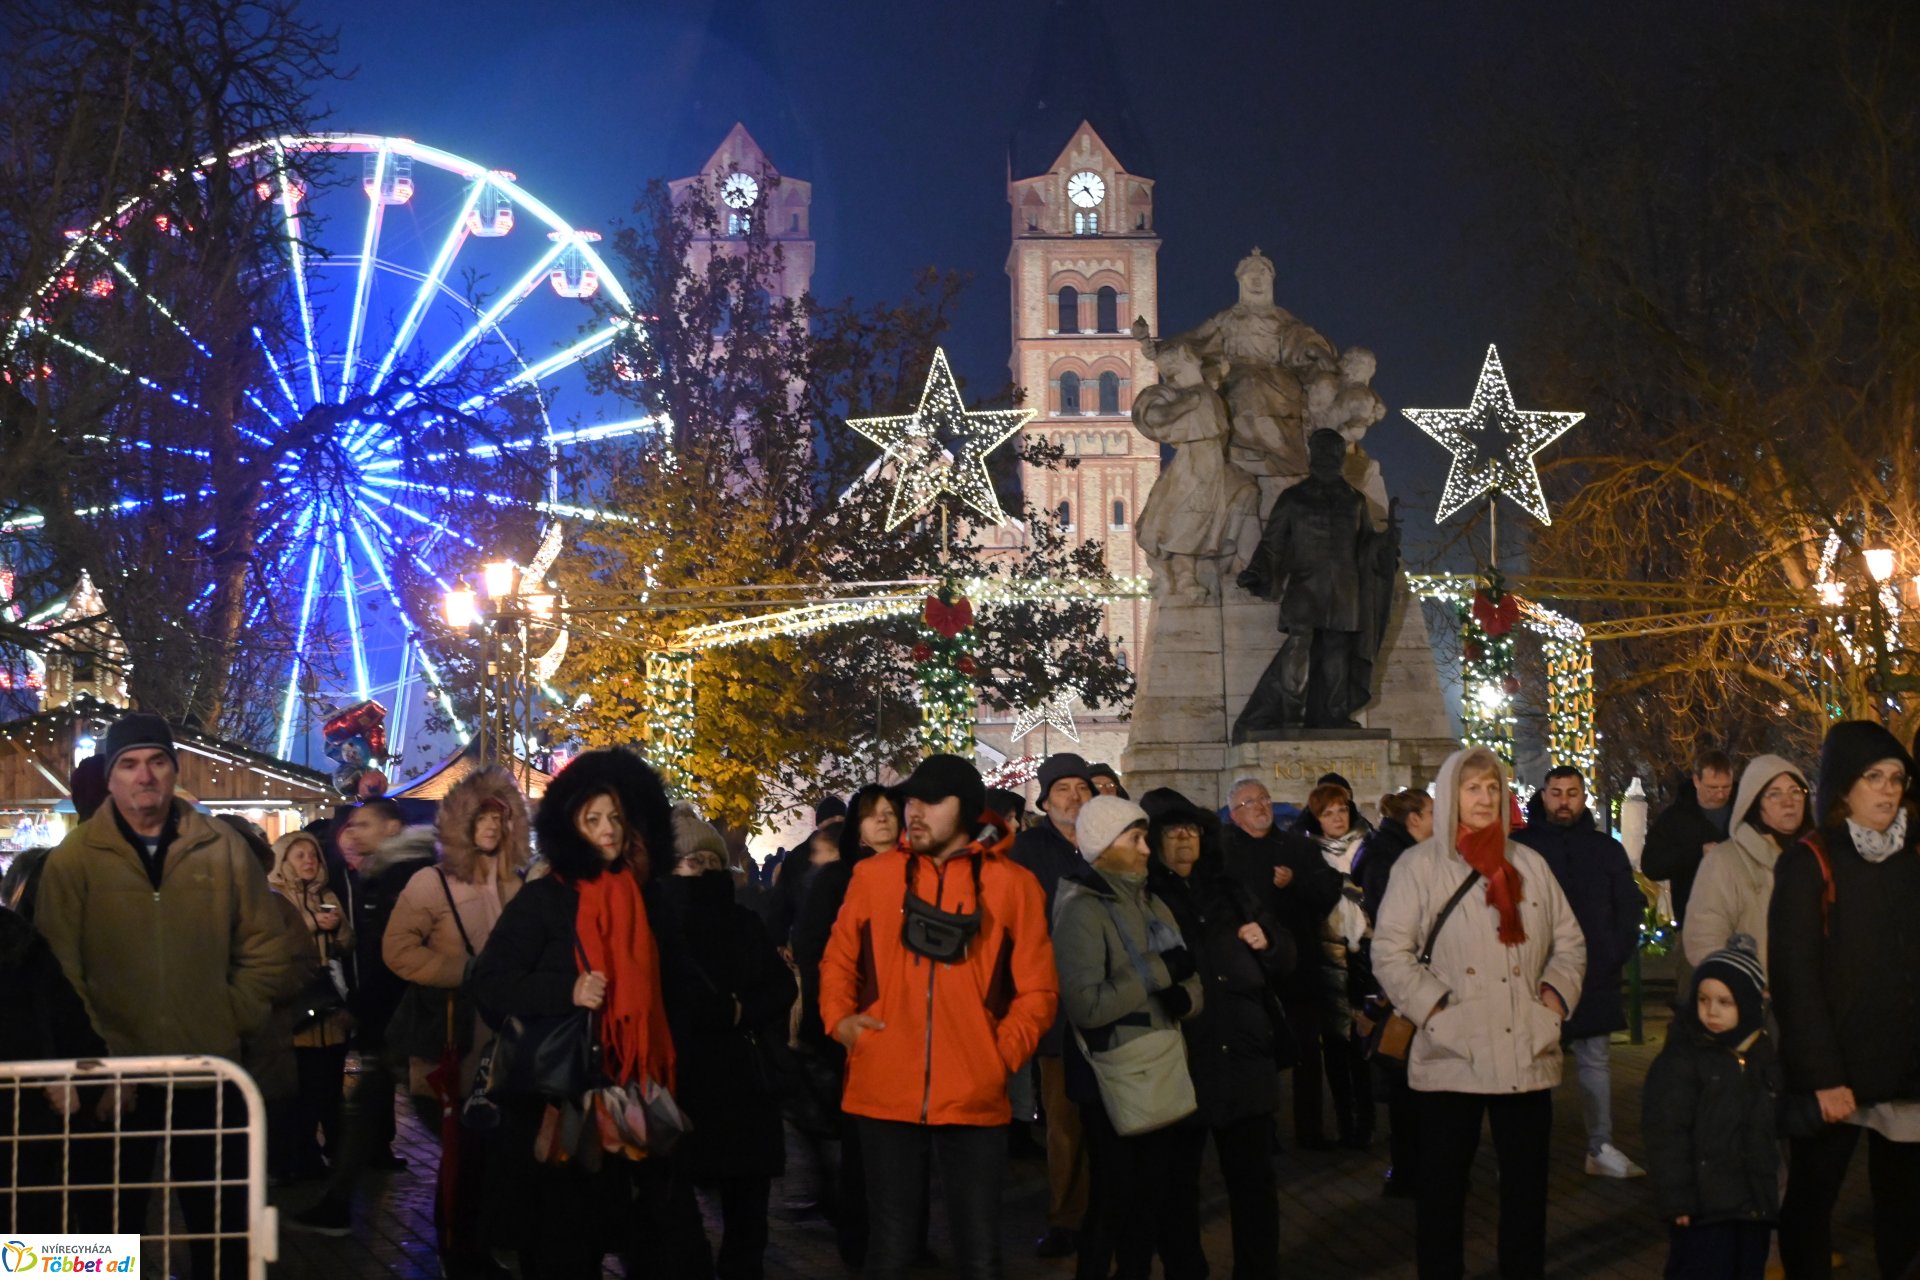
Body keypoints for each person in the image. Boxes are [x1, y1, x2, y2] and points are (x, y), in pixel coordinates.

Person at [35, 712, 290, 1279]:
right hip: (114, 1077)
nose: (143, 776)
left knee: (219, 1226)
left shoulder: (223, 848)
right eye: (128, 764)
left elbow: (265, 948)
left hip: (208, 1067)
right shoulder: (73, 860)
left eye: (155, 762)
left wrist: (228, 1017)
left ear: (175, 771)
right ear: (109, 777)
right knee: (105, 1230)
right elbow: (59, 969)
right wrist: (94, 1057)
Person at [468, 748, 705, 1279]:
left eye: (616, 818)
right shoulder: (544, 900)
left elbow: (677, 989)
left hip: (637, 1099)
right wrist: (566, 990)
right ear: (569, 825)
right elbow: (491, 983)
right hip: (564, 1104)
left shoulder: (649, 900)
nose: (608, 830)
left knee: (660, 1242)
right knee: (563, 1249)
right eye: (593, 818)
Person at [819, 753, 1058, 1280]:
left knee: (979, 1255)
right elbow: (837, 960)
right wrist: (841, 1022)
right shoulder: (873, 877)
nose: (913, 812)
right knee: (891, 1251)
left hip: (975, 1089)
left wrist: (998, 1055)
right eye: (910, 801)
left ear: (969, 810)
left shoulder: (1013, 885)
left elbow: (1038, 990)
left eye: (931, 801)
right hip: (883, 1085)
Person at [1372, 746, 1586, 1280]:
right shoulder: (1419, 866)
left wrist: (1553, 1000)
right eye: (1473, 789)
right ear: (1451, 797)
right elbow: (1390, 952)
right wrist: (1437, 1010)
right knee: (1442, 1193)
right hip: (1452, 1051)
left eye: (1493, 787)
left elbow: (1569, 942)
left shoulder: (1529, 863)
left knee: (1526, 1193)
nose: (1485, 798)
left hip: (1524, 1049)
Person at [1768, 721, 1920, 1280]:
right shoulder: (1810, 860)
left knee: (1904, 1210)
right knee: (1813, 1202)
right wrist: (1823, 1076)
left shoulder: (1914, 854)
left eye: (1896, 778)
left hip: (1906, 1071)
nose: (1886, 790)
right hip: (1838, 1076)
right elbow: (1795, 980)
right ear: (1842, 786)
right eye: (1872, 777)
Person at [384, 767, 531, 1278]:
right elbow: (397, 951)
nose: (490, 826)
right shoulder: (431, 883)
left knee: (500, 1151)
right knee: (462, 1153)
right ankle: (460, 1253)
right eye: (480, 817)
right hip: (456, 1037)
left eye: (499, 817)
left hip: (510, 1043)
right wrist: (461, 971)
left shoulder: (522, 884)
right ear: (460, 822)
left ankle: (486, 1245)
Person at [1141, 787, 1293, 1280]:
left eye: (1193, 831)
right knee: (1176, 1186)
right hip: (1181, 1055)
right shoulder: (1147, 897)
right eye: (1173, 832)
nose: (1185, 840)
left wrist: (1267, 942)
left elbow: (1285, 956)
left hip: (1244, 1052)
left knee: (1253, 1184)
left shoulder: (1232, 889)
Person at [1052, 794, 1205, 1280]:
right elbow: (1087, 1005)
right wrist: (1160, 975)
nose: (1146, 849)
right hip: (1112, 1076)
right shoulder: (1082, 909)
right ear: (1103, 844)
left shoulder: (1151, 900)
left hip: (1160, 1066)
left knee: (1150, 1199)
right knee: (1114, 1198)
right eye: (1134, 838)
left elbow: (1191, 979)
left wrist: (1189, 998)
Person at [663, 803, 796, 1280]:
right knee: (677, 1207)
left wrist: (740, 1010)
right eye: (689, 861)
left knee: (746, 1213)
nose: (701, 870)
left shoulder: (743, 921)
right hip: (682, 1079)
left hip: (742, 1081)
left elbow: (781, 986)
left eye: (710, 861)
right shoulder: (657, 926)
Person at [294, 797, 436, 1234]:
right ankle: (337, 1202)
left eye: (365, 824)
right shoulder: (384, 874)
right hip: (392, 1018)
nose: (353, 833)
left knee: (432, 1113)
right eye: (351, 825)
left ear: (393, 827)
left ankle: (493, 1205)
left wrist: (361, 1008)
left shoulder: (404, 877)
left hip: (406, 1019)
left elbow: (393, 958)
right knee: (365, 1110)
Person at [1512, 766, 1648, 1179]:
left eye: (1572, 793)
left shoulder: (1604, 849)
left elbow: (1628, 904)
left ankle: (1600, 1145)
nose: (1564, 801)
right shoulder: (1519, 847)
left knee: (1595, 1062)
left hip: (1595, 971)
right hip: (1533, 975)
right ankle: (1523, 1154)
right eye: (1556, 793)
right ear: (1544, 795)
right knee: (1530, 1066)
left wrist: (1615, 951)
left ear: (1583, 796)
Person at [1644, 935, 1806, 1280]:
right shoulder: (1682, 1060)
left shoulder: (1760, 1055)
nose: (1711, 1011)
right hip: (1704, 1207)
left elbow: (1777, 1116)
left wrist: (1815, 1112)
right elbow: (1667, 1134)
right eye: (1703, 999)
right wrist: (1677, 1199)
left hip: (1751, 1206)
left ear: (1747, 1004)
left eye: (1724, 1001)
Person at [789, 783, 903, 1267]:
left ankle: (903, 1238)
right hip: (852, 1028)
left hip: (904, 1027)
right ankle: (859, 1241)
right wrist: (836, 1016)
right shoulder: (839, 879)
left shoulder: (918, 874)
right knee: (859, 1145)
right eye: (871, 813)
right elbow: (817, 950)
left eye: (889, 812)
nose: (882, 820)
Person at [1219, 775, 1344, 1149]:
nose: (1260, 807)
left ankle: (1310, 1130)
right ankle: (1263, 1130)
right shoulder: (1224, 853)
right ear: (1235, 814)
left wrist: (1296, 884)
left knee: (1307, 1050)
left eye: (1265, 799)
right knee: (1258, 1055)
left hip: (1298, 967)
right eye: (1250, 803)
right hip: (1249, 969)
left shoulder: (1296, 847)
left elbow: (1326, 893)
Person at [1011, 751, 1097, 1258]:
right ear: (1045, 800)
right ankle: (1068, 1216)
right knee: (1064, 1120)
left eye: (1081, 788)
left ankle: (1113, 1206)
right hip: (1058, 1005)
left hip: (1110, 1000)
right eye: (1063, 789)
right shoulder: (1027, 849)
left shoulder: (1106, 841)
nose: (1074, 797)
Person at [1, 843, 111, 1234]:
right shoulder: (19, 941)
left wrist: (87, 1079)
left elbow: (68, 1025)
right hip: (33, 1128)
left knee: (48, 1246)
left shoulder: (19, 943)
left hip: (32, 1131)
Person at [223, 816, 321, 1187]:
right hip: (206, 1047)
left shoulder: (276, 907)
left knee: (261, 1140)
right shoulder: (188, 906)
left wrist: (254, 989)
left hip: (266, 1041)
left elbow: (303, 964)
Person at [1355, 786, 1434, 1197]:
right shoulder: (1395, 858)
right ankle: (1409, 1170)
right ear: (1414, 819)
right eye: (1432, 814)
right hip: (1402, 983)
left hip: (1404, 980)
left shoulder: (1389, 849)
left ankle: (1412, 1166)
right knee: (1405, 1077)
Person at [270, 830, 355, 1181]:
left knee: (330, 1087)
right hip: (295, 1009)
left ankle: (332, 1151)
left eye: (313, 855)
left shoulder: (328, 895)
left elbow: (349, 943)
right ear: (283, 860)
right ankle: (296, 1159)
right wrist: (310, 924)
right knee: (298, 1091)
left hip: (329, 1010)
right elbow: (275, 941)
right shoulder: (275, 898)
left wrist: (336, 930)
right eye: (299, 855)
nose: (308, 861)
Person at [1682, 755, 1810, 970]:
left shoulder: (1817, 858)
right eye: (1774, 794)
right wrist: (1738, 985)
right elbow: (1705, 938)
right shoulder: (1725, 862)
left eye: (1795, 791)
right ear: (1754, 802)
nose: (1788, 802)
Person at [1304, 782, 1374, 1148]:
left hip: (1366, 952)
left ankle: (1367, 1120)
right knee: (1335, 1044)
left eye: (1341, 810)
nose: (1336, 818)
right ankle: (1345, 1120)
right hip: (1327, 954)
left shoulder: (1369, 847)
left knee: (1365, 1039)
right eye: (1328, 813)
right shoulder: (1308, 853)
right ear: (1317, 818)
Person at [1644, 749, 1736, 930]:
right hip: (1695, 921)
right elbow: (1652, 865)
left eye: (1726, 787)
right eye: (1712, 788)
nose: (1720, 794)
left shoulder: (1745, 812)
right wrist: (1697, 852)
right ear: (1696, 781)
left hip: (1742, 918)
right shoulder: (1674, 819)